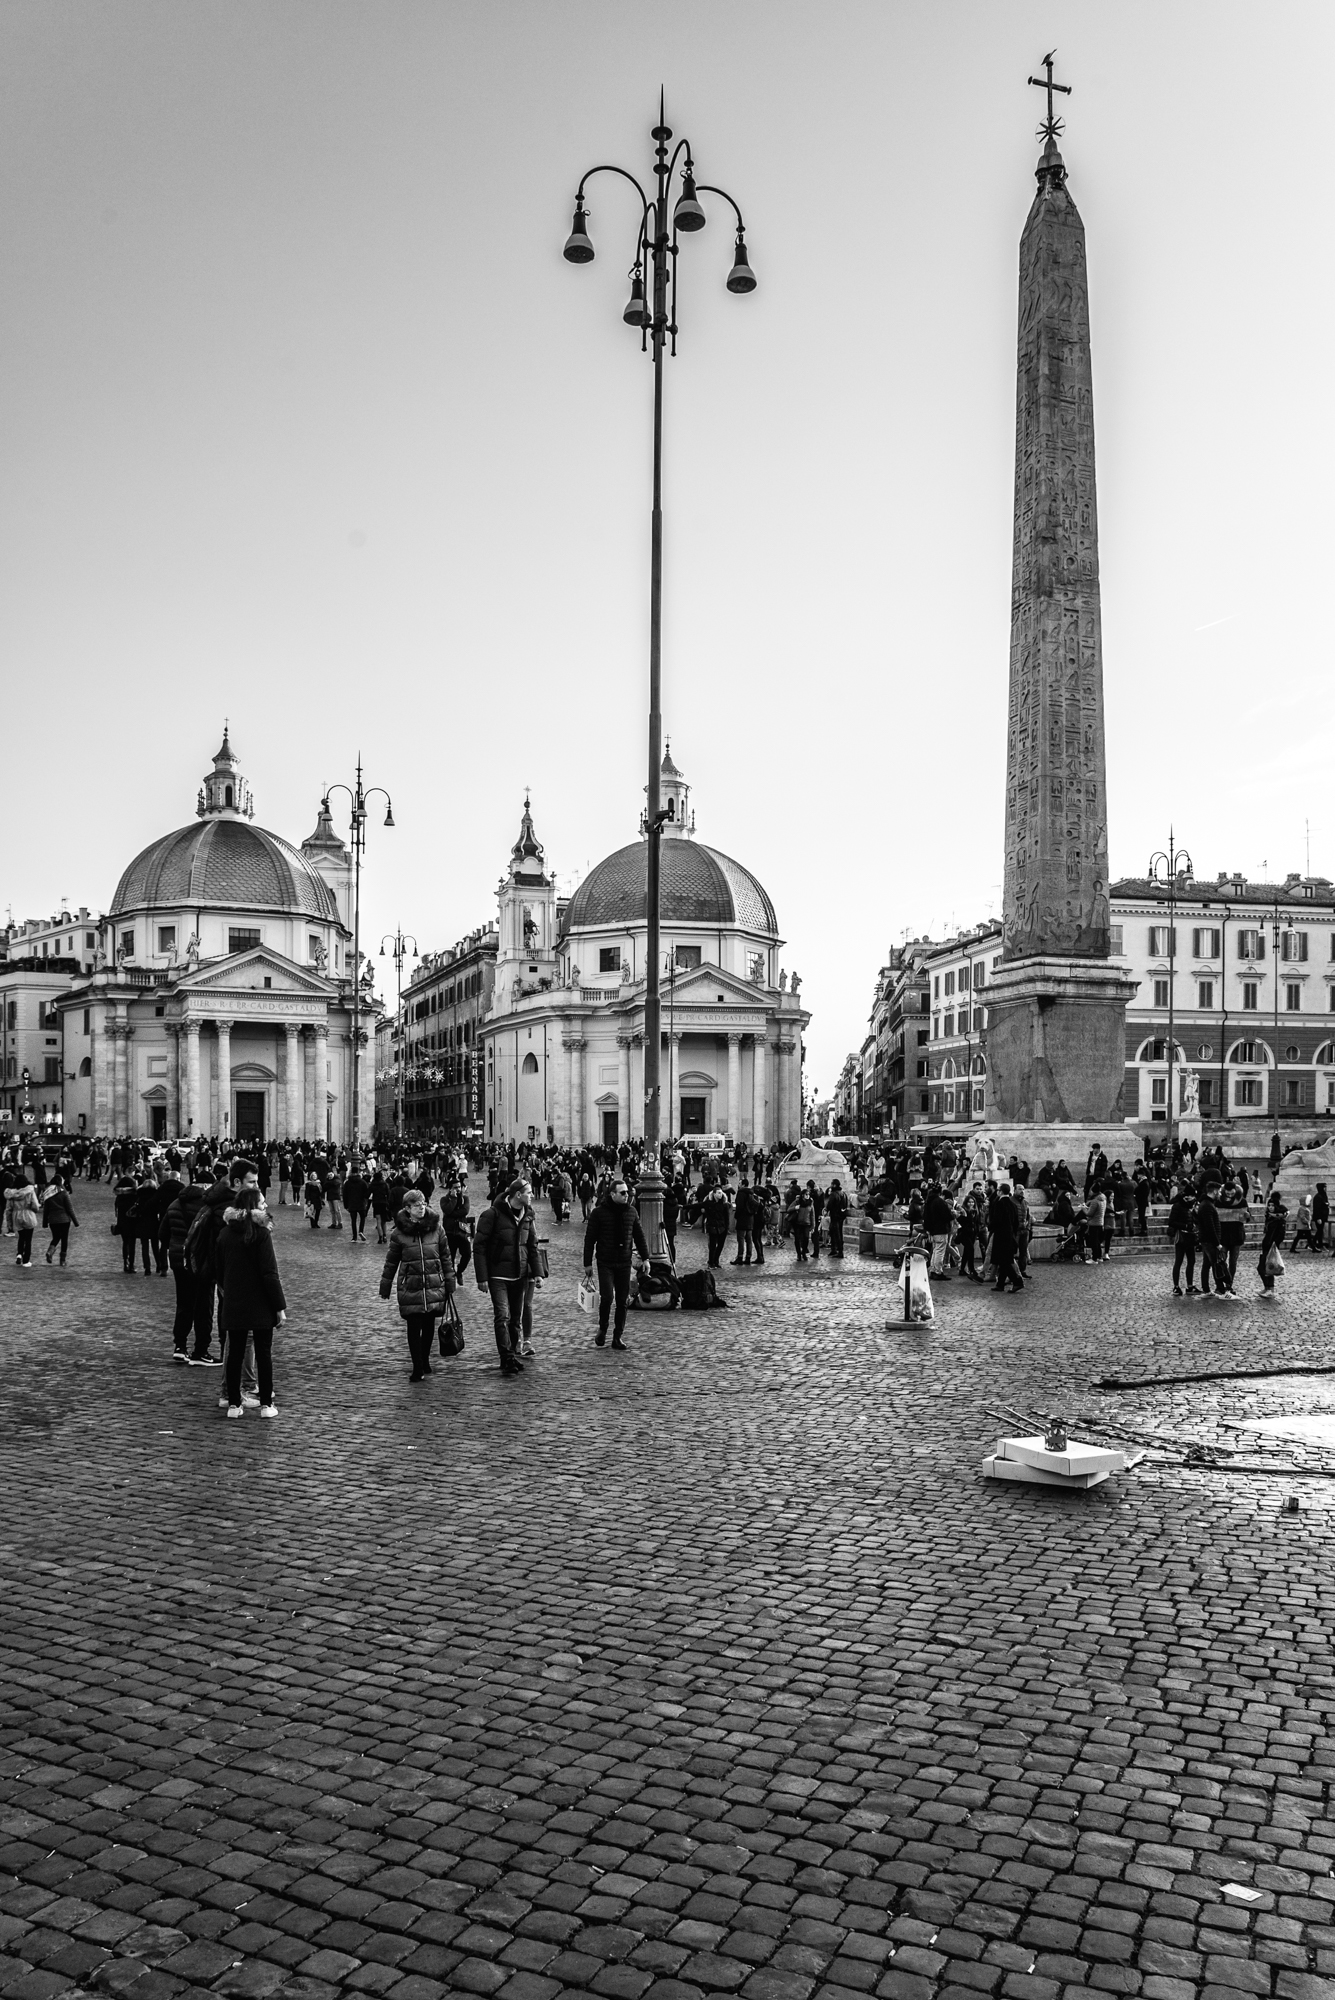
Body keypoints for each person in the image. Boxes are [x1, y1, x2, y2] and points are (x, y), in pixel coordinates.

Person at [215, 1187, 287, 1418]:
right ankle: (266, 1404)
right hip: (261, 1304)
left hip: (234, 1303)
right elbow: (270, 1274)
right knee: (263, 1354)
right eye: (262, 1202)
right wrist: (279, 1307)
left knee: (235, 1353)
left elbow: (218, 1271)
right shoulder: (261, 1234)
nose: (266, 1206)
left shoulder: (225, 1234)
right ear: (252, 1206)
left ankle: (234, 1405)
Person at [379, 1186, 455, 1381]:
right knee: (413, 1326)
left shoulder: (437, 1228)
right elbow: (391, 1261)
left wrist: (450, 1280)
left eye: (423, 1204)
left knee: (429, 1324)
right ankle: (417, 1366)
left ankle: (425, 1358)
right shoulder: (399, 1233)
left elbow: (446, 1256)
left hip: (433, 1283)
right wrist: (385, 1286)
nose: (421, 1208)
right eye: (416, 1205)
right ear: (407, 1208)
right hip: (411, 1284)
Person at [474, 1177, 542, 1376]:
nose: (532, 1196)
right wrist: (482, 1277)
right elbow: (479, 1247)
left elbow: (532, 1246)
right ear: (518, 1195)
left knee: (515, 1319)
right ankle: (506, 1357)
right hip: (498, 1275)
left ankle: (511, 1353)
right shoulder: (492, 1214)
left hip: (519, 1274)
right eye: (528, 1193)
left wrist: (537, 1273)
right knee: (502, 1315)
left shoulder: (528, 1215)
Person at [583, 1178, 649, 1350]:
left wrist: (646, 1258)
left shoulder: (631, 1212)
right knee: (607, 1298)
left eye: (628, 1192)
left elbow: (639, 1236)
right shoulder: (598, 1213)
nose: (627, 1195)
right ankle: (603, 1328)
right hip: (605, 1262)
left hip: (624, 1261)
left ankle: (617, 1336)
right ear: (612, 1194)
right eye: (623, 1193)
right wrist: (587, 1263)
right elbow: (590, 1239)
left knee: (622, 1300)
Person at [1258, 1190, 1288, 1297]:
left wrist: (1274, 1244)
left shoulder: (1279, 1220)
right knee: (1263, 1267)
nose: (1270, 1207)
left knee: (1266, 1267)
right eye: (1269, 1205)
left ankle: (1270, 1289)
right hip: (1267, 1244)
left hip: (1271, 1246)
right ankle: (1267, 1288)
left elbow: (1280, 1235)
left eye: (1272, 1205)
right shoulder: (1270, 1217)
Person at [1169, 1184, 1197, 1295]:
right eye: (1191, 1197)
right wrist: (1185, 1226)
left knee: (1192, 1261)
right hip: (1181, 1236)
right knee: (1178, 1261)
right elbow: (1171, 1222)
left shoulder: (1193, 1205)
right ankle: (1176, 1286)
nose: (1193, 1199)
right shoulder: (1177, 1206)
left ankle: (1190, 1286)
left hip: (1191, 1236)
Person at [42, 1184, 79, 1265]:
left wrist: (45, 1222)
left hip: (53, 1220)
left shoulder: (48, 1195)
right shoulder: (64, 1194)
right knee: (64, 1239)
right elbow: (70, 1209)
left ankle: (50, 1251)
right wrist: (75, 1222)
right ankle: (62, 1260)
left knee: (56, 1237)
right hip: (64, 1220)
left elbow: (46, 1210)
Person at [11, 1180, 41, 1268]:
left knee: (21, 1237)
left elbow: (9, 1209)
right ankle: (26, 1260)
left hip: (17, 1216)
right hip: (28, 1216)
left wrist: (10, 1223)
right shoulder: (30, 1192)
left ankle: (19, 1254)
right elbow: (35, 1205)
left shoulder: (12, 1194)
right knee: (28, 1239)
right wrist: (35, 1211)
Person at [344, 1163, 370, 1241]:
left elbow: (345, 1194)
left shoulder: (348, 1183)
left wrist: (346, 1205)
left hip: (352, 1203)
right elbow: (367, 1193)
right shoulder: (362, 1182)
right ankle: (361, 1231)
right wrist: (366, 1201)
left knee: (353, 1220)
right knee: (363, 1217)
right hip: (361, 1203)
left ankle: (354, 1237)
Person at [826, 1179, 849, 1259]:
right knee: (838, 1232)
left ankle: (838, 1250)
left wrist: (826, 1210)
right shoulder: (843, 1194)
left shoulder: (834, 1194)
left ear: (834, 1185)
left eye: (832, 1184)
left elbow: (830, 1205)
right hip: (841, 1216)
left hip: (835, 1216)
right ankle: (836, 1249)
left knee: (835, 1233)